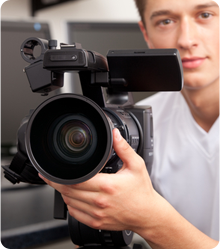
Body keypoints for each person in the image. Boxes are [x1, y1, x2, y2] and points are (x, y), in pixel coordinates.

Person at [39, 0, 220, 249]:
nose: (187, 40)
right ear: (146, 32)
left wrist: (151, 221)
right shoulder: (136, 121)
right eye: (165, 21)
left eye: (206, 14)